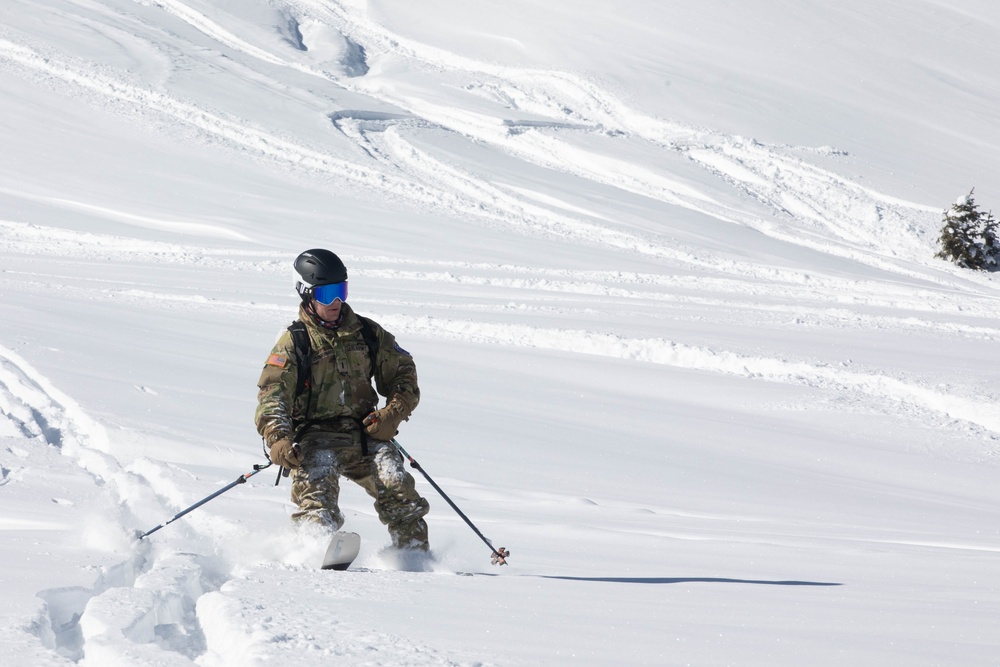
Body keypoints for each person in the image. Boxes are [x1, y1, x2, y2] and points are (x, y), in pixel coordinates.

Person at [255, 248, 429, 550]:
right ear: (307, 294)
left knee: (396, 483)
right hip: (314, 439)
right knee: (316, 492)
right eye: (326, 294)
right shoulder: (294, 341)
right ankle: (315, 549)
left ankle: (413, 555)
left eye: (341, 291)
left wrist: (393, 414)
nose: (336, 302)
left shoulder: (367, 333)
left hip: (365, 434)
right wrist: (279, 440)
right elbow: (273, 396)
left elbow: (404, 374)